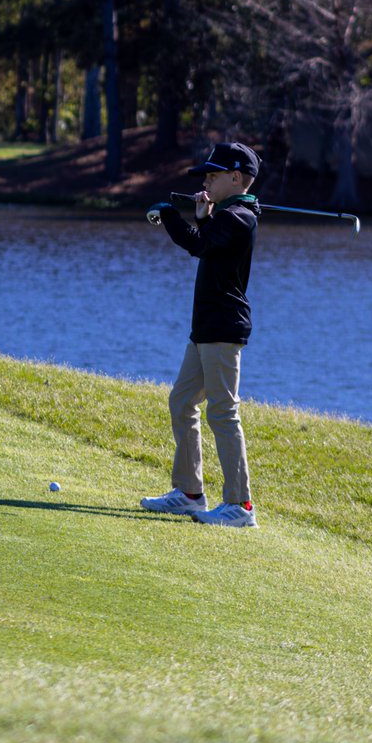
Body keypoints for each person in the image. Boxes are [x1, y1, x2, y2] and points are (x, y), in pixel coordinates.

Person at [141, 142, 263, 528]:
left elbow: (198, 245)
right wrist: (203, 215)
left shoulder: (240, 217)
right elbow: (210, 242)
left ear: (236, 178)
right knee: (182, 401)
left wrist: (169, 216)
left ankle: (240, 506)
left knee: (223, 413)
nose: (206, 180)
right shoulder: (227, 217)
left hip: (223, 328)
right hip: (206, 327)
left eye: (212, 175)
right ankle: (190, 493)